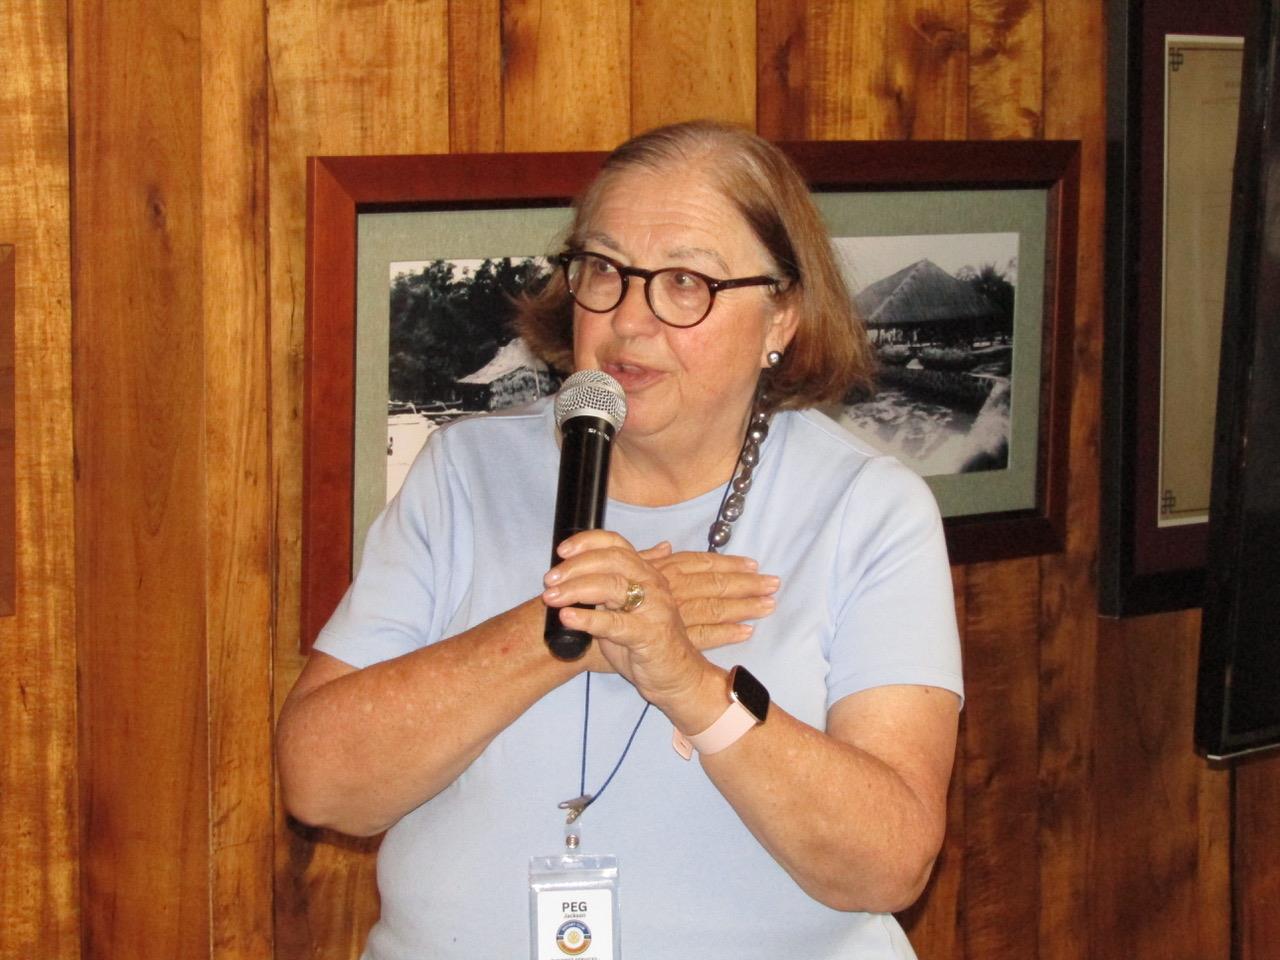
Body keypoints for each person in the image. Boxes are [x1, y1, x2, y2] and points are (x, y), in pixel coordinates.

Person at [277, 119, 963, 959]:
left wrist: (687, 680)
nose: (630, 319)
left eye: (685, 282)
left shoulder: (867, 508)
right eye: (604, 269)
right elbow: (320, 785)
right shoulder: (465, 472)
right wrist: (557, 636)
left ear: (782, 315)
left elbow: (889, 865)